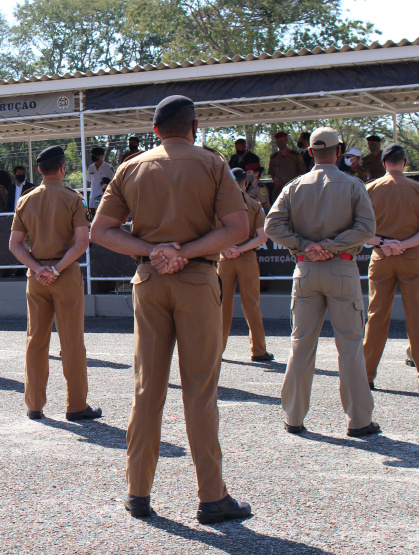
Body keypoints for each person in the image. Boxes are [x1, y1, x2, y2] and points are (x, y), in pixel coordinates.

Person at [91, 95, 251, 523]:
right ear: (194, 127)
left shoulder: (131, 167)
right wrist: (185, 252)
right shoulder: (213, 163)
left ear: (155, 130)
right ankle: (211, 496)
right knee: (200, 390)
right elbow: (238, 227)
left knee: (147, 389)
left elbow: (101, 231)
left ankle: (138, 492)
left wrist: (154, 251)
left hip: (149, 281)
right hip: (197, 280)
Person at [264, 126, 379, 437]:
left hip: (306, 270)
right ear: (339, 151)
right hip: (342, 269)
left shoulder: (294, 186)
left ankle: (293, 417)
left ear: (310, 152)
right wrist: (332, 245)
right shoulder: (353, 185)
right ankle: (358, 421)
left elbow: (272, 226)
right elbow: (367, 229)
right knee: (350, 347)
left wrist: (306, 245)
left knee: (301, 345)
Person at [9, 145, 100, 421]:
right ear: (63, 168)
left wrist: (39, 268)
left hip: (36, 277)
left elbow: (15, 244)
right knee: (72, 341)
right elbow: (82, 243)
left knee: (36, 340)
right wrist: (56, 269)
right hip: (65, 274)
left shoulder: (25, 201)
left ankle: (34, 404)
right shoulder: (74, 199)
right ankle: (76, 405)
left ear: (39, 170)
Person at [362, 145, 419, 390]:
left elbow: (360, 231)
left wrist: (385, 242)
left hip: (381, 257)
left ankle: (366, 375)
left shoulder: (369, 189)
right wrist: (403, 244)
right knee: (416, 316)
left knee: (376, 316)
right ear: (404, 162)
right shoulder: (416, 189)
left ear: (383, 163)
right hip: (413, 258)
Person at [219, 168, 272, 362]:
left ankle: (217, 349)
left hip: (224, 258)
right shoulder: (254, 204)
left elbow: (210, 232)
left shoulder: (219, 204)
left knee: (222, 306)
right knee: (252, 305)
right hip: (247, 258)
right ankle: (259, 350)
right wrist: (240, 249)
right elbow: (262, 237)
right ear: (246, 183)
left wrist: (227, 248)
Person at [267, 131, 307, 202]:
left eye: (281, 141)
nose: (279, 143)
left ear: (286, 141)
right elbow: (272, 173)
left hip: (293, 189)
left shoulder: (296, 156)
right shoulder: (274, 157)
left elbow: (303, 172)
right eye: (277, 141)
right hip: (278, 190)